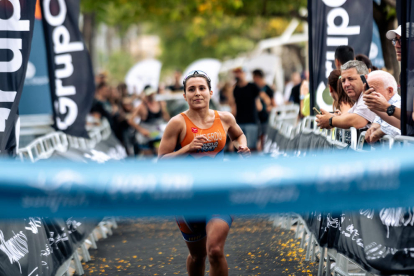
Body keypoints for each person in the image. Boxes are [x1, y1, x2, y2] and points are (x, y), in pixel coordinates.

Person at [158, 70, 250, 276]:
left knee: (215, 250)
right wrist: (186, 149)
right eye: (191, 89)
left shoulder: (225, 118)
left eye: (201, 88)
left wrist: (241, 147)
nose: (197, 93)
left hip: (220, 192)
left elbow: (239, 135)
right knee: (198, 256)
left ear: (210, 92)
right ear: (184, 96)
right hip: (186, 198)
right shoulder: (177, 123)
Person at [316, 61, 376, 130]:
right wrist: (334, 116)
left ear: (364, 78)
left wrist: (330, 120)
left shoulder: (370, 94)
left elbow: (358, 121)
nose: (346, 84)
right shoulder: (360, 98)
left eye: (351, 79)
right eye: (343, 81)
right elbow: (349, 115)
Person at [128, 86, 170, 156]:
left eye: (152, 94)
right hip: (146, 136)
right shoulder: (141, 106)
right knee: (149, 158)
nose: (151, 96)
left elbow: (166, 118)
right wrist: (141, 130)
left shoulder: (160, 103)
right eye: (149, 94)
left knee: (160, 153)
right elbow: (130, 120)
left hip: (157, 134)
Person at [363, 71, 401, 143]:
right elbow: (377, 121)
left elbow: (395, 128)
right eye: (367, 90)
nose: (369, 94)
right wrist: (374, 127)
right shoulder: (382, 106)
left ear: (390, 91)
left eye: (372, 90)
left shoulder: (399, 104)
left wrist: (377, 133)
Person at [232, 67, 262, 151]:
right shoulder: (235, 89)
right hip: (240, 122)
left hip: (251, 121)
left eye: (240, 72)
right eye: (237, 73)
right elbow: (234, 106)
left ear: (244, 73)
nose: (238, 75)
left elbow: (259, 106)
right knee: (241, 148)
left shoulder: (252, 86)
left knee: (251, 147)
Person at [252, 69, 275, 149]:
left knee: (264, 138)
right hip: (255, 117)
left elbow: (273, 103)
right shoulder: (254, 87)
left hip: (265, 118)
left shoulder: (267, 89)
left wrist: (269, 106)